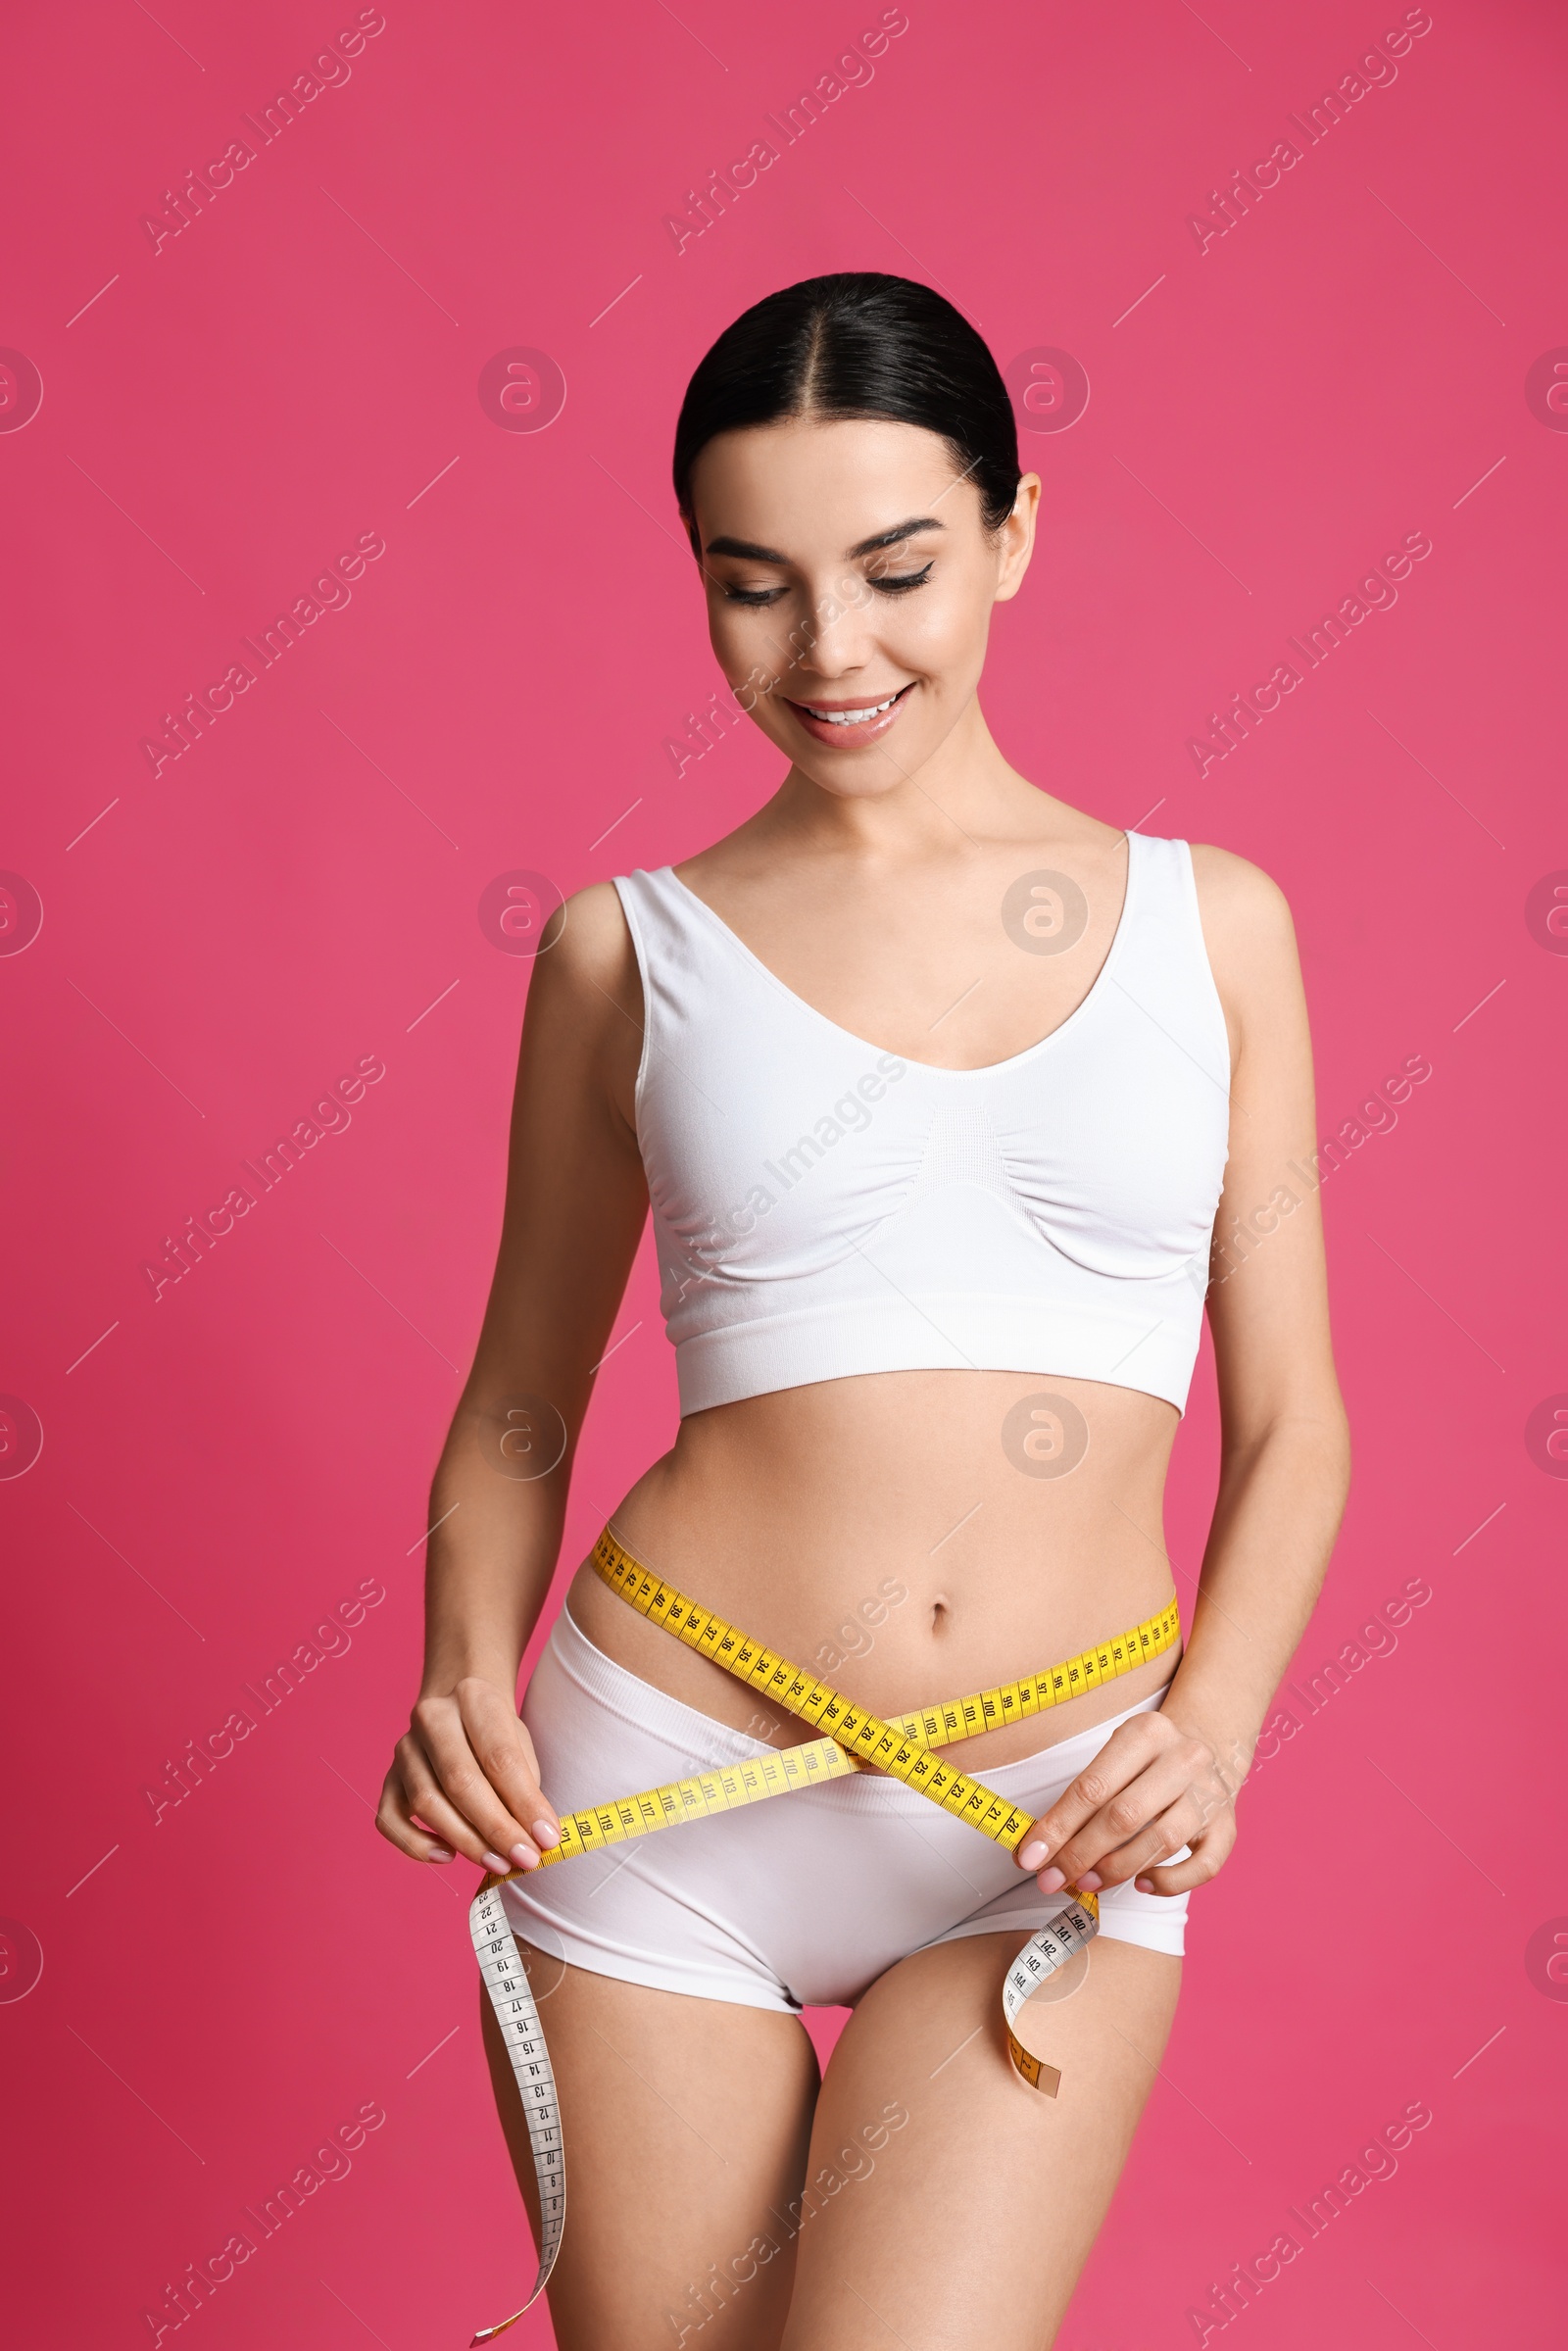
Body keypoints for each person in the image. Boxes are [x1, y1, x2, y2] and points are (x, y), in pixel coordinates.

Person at [376, 271, 1349, 2350]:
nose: (826, 650)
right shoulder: (622, 953)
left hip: (1060, 1802)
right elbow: (518, 1406)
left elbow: (1290, 1426)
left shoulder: (1215, 928)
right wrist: (466, 1668)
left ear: (1009, 533)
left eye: (893, 568)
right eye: (752, 586)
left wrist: (1213, 1735)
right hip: (653, 1789)